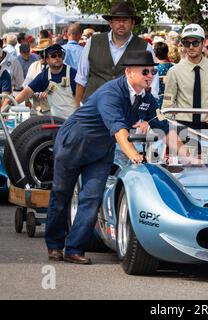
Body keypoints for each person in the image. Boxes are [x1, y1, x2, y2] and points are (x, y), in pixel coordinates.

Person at [45, 51, 194, 264]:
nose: (150, 75)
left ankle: (74, 248)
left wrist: (189, 157)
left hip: (101, 150)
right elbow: (119, 130)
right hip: (74, 144)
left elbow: (164, 129)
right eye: (145, 71)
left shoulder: (147, 99)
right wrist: (134, 155)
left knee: (92, 198)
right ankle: (54, 245)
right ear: (129, 72)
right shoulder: (111, 93)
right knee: (61, 194)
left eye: (152, 71)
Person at [75, 1, 159, 105]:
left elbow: (152, 85)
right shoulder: (93, 42)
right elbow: (81, 79)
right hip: (92, 109)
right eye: (117, 20)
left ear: (133, 23)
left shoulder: (145, 47)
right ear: (110, 23)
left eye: (125, 20)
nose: (121, 24)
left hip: (126, 111)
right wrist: (77, 109)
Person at [162, 24, 208, 131]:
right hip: (182, 125)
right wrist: (170, 128)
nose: (191, 47)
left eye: (195, 43)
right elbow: (168, 103)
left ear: (203, 43)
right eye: (186, 43)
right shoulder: (174, 71)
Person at [2, 44, 77, 119]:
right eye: (53, 56)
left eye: (60, 55)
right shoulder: (44, 76)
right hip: (56, 120)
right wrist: (11, 102)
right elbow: (27, 92)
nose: (57, 58)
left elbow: (82, 96)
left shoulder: (72, 73)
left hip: (72, 119)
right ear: (47, 59)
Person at [154, 41, 174, 109]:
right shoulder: (173, 67)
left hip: (156, 99)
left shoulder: (153, 69)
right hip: (170, 99)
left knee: (158, 117)